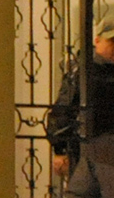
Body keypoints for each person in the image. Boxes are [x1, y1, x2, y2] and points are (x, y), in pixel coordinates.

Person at [48, 16, 114, 184]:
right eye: (112, 41)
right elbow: (64, 108)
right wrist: (60, 149)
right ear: (97, 40)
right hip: (88, 152)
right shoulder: (84, 70)